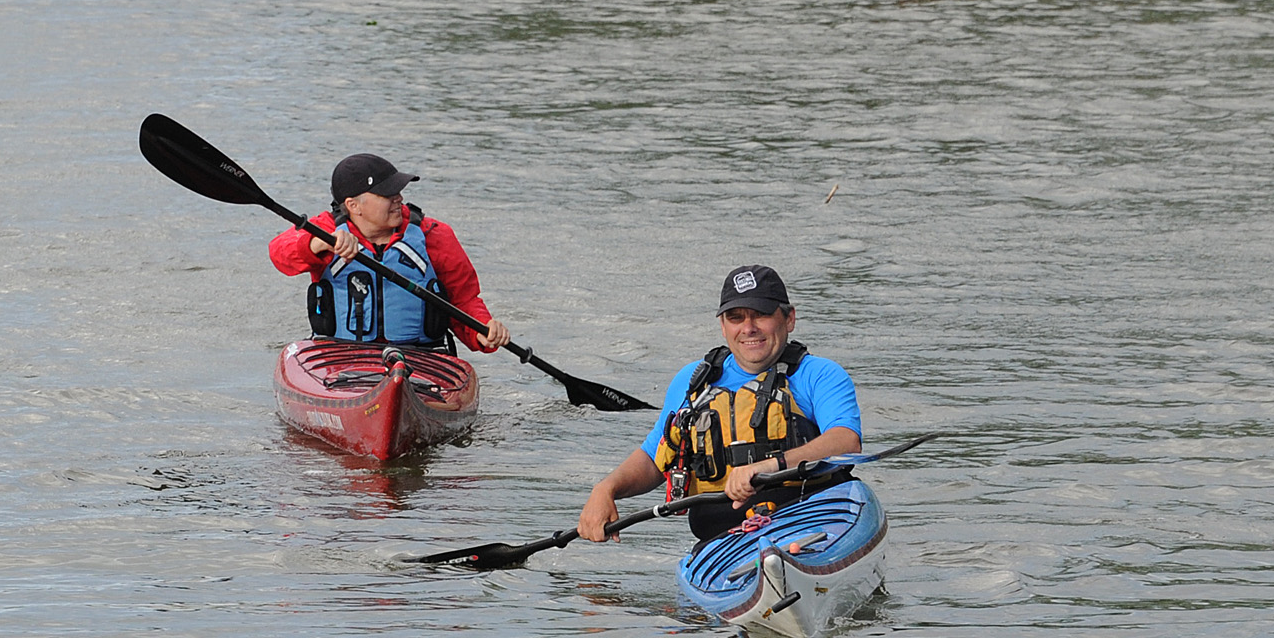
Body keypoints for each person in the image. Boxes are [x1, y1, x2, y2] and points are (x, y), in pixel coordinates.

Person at [577, 265, 860, 543]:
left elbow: (846, 442)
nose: (748, 328)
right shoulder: (692, 381)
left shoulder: (819, 375)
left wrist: (769, 466)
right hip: (723, 539)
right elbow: (654, 459)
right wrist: (606, 488)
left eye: (761, 314)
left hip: (810, 521)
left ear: (789, 319)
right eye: (736, 317)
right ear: (723, 327)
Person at [268, 153, 511, 353]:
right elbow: (279, 253)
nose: (399, 199)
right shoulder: (325, 229)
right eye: (387, 194)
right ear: (354, 205)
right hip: (340, 354)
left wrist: (481, 331)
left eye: (398, 192)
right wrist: (319, 245)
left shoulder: (433, 235)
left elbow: (463, 300)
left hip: (421, 355)